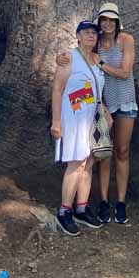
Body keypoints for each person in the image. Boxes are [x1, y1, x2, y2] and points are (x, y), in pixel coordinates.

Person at [51, 19, 108, 236]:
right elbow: (57, 89)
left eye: (94, 32)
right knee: (76, 163)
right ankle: (64, 210)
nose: (91, 35)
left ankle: (81, 208)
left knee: (89, 162)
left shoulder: (97, 60)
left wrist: (107, 114)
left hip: (92, 120)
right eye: (86, 32)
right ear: (78, 36)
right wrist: (56, 121)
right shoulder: (69, 57)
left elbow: (97, 92)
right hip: (73, 119)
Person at [92, 2, 136, 224]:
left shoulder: (126, 40)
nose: (108, 24)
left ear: (117, 22)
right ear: (99, 22)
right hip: (103, 104)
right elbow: (80, 57)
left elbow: (125, 72)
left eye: (111, 20)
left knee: (122, 150)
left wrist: (100, 64)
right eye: (104, 20)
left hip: (126, 101)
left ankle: (120, 201)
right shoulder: (95, 42)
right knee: (104, 152)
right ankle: (102, 201)